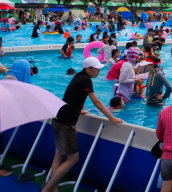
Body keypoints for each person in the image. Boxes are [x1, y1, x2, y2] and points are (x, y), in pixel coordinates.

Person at [42, 57, 123, 192]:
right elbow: (96, 101)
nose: (99, 71)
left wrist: (77, 110)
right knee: (73, 159)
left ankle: (53, 189)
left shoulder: (79, 76)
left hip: (59, 118)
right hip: (66, 123)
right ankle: (47, 189)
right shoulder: (85, 79)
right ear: (88, 69)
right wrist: (111, 118)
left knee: (59, 155)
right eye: (96, 69)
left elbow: (70, 96)